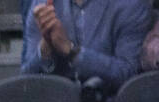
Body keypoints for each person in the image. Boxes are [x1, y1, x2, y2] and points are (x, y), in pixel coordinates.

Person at [22, 0, 154, 93]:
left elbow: (129, 75)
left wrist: (73, 52)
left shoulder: (131, 5)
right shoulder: (42, 5)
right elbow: (25, 82)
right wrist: (45, 51)